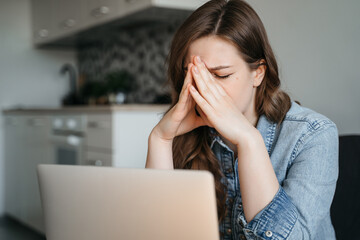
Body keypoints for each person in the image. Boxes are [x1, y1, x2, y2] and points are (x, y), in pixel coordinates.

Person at [145, 0, 339, 239]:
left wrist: (249, 140)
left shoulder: (313, 135)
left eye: (221, 75)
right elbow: (159, 232)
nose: (205, 90)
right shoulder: (183, 131)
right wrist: (160, 138)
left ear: (258, 73)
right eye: (194, 75)